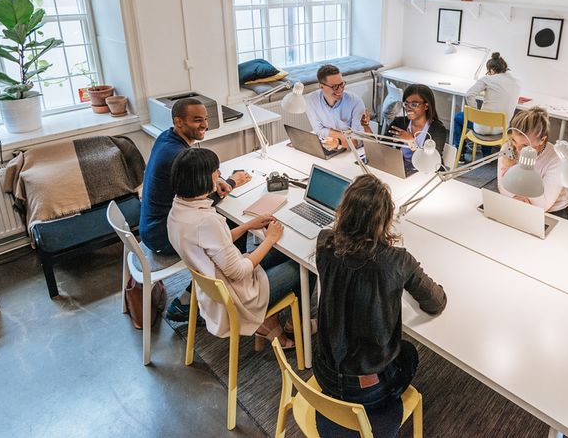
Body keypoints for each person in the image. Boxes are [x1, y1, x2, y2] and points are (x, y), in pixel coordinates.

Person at [314, 175, 446, 437]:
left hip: (324, 374)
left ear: (344, 211)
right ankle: (379, 410)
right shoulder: (396, 262)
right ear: (385, 219)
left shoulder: (325, 243)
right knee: (409, 354)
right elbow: (435, 303)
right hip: (367, 389)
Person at [167, 148, 302, 348]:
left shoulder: (178, 210)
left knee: (282, 254)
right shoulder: (205, 221)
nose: (220, 175)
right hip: (239, 298)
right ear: (202, 179)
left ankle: (275, 322)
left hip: (216, 288)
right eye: (216, 171)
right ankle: (296, 326)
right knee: (301, 266)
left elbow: (214, 245)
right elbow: (238, 272)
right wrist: (269, 239)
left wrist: (248, 226)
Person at [140, 98, 251, 320]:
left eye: (206, 119)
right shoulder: (175, 155)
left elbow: (191, 192)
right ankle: (199, 298)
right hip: (164, 235)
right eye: (197, 120)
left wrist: (213, 179)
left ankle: (215, 285)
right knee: (229, 227)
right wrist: (231, 181)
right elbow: (202, 202)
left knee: (221, 227)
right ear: (178, 122)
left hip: (152, 225)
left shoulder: (166, 138)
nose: (205, 125)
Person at [497, 107, 568, 219]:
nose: (517, 149)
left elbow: (543, 205)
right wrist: (516, 198)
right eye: (514, 140)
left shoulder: (556, 158)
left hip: (552, 212)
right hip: (516, 203)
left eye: (525, 146)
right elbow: (502, 186)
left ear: (542, 140)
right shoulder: (508, 147)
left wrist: (512, 169)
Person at [451, 52, 521, 158]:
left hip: (482, 128)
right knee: (490, 117)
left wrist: (476, 113)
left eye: (489, 72)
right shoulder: (517, 82)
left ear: (492, 69)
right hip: (502, 129)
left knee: (458, 117)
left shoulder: (488, 79)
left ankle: (460, 154)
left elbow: (469, 95)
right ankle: (486, 156)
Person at [305, 63, 371, 150]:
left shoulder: (355, 102)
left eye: (342, 84)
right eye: (335, 86)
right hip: (329, 145)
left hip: (354, 151)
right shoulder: (311, 100)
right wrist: (345, 137)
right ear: (321, 86)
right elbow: (319, 131)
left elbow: (357, 141)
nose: (340, 90)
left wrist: (338, 142)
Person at [385, 84, 448, 172]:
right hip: (403, 170)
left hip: (427, 172)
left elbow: (430, 163)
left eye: (414, 105)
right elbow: (382, 148)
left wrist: (412, 143)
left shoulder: (438, 130)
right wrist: (366, 127)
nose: (408, 108)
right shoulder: (399, 123)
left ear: (426, 106)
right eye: (406, 104)